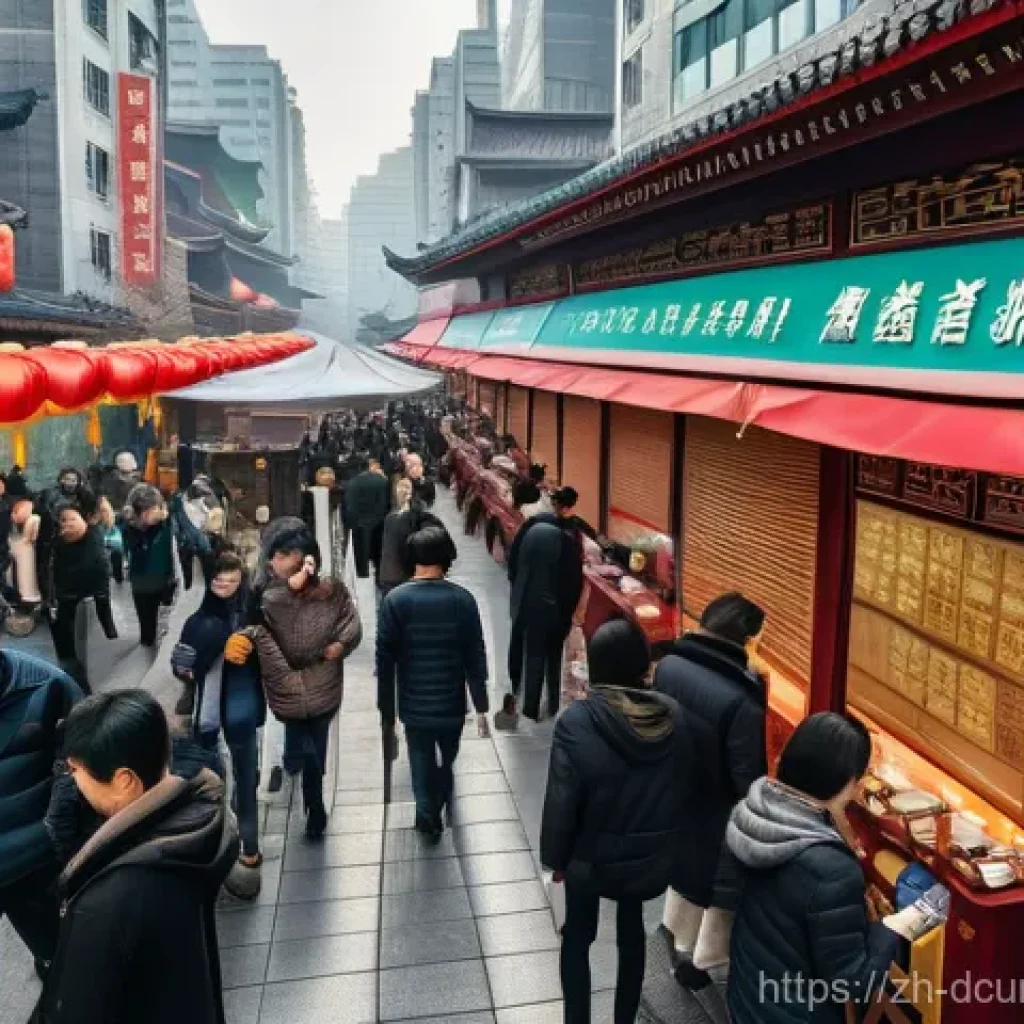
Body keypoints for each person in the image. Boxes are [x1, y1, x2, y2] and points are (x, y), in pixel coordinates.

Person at [32, 689, 238, 1024]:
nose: (72, 780)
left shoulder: (108, 902)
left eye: (75, 770)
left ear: (124, 781)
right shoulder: (194, 827)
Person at [541, 619, 691, 1024]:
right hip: (648, 859)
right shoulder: (674, 717)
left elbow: (561, 799)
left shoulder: (578, 723)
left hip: (588, 858)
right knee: (632, 934)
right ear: (644, 668)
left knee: (577, 937)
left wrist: (555, 860)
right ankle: (625, 1018)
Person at [727, 713, 904, 1023]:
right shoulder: (831, 870)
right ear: (846, 780)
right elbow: (853, 981)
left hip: (749, 993)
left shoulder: (753, 814)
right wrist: (892, 928)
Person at [656, 591, 768, 998]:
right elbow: (747, 782)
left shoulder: (669, 666)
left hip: (679, 793)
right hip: (718, 814)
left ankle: (678, 943)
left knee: (685, 877)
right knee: (717, 891)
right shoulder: (741, 702)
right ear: (747, 641)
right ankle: (704, 962)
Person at [229, 527, 361, 839]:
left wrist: (342, 644)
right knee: (302, 738)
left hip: (323, 681)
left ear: (307, 558)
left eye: (285, 554)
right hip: (284, 683)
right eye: (275, 555)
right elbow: (259, 626)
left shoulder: (331, 590)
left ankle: (313, 799)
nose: (276, 560)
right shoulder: (265, 593)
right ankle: (307, 786)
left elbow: (350, 620)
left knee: (316, 742)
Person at [377, 524, 488, 839]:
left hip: (413, 702)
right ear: (447, 557)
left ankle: (427, 814)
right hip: (451, 702)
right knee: (447, 757)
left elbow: (384, 662)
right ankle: (439, 798)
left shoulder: (395, 601)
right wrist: (481, 705)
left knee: (420, 756)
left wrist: (386, 710)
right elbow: (474, 656)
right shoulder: (463, 600)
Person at [172, 552, 266, 898]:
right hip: (212, 717)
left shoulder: (253, 614)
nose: (224, 585)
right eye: (218, 579)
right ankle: (233, 850)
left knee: (245, 781)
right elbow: (180, 667)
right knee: (221, 781)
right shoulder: (201, 623)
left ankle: (247, 850)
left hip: (240, 712)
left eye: (231, 579)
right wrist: (215, 649)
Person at [0, 607, 82, 977]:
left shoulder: (46, 685)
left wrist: (58, 829)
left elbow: (90, 754)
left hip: (34, 859)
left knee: (57, 955)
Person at [50, 495, 118, 693]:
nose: (68, 523)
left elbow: (100, 570)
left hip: (90, 597)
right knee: (69, 652)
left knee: (86, 647)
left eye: (72, 518)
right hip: (66, 599)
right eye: (64, 520)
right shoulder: (57, 543)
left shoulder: (93, 535)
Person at [122, 484, 176, 647]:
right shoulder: (130, 528)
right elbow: (135, 548)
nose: (150, 514)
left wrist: (162, 521)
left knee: (166, 624)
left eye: (153, 509)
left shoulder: (168, 524)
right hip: (141, 582)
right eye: (146, 510)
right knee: (147, 630)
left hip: (165, 580)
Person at [344, 456, 390, 579]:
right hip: (380, 523)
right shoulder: (382, 480)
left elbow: (350, 507)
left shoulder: (352, 483)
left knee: (361, 554)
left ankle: (362, 573)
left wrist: (350, 524)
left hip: (360, 525)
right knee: (379, 558)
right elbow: (387, 503)